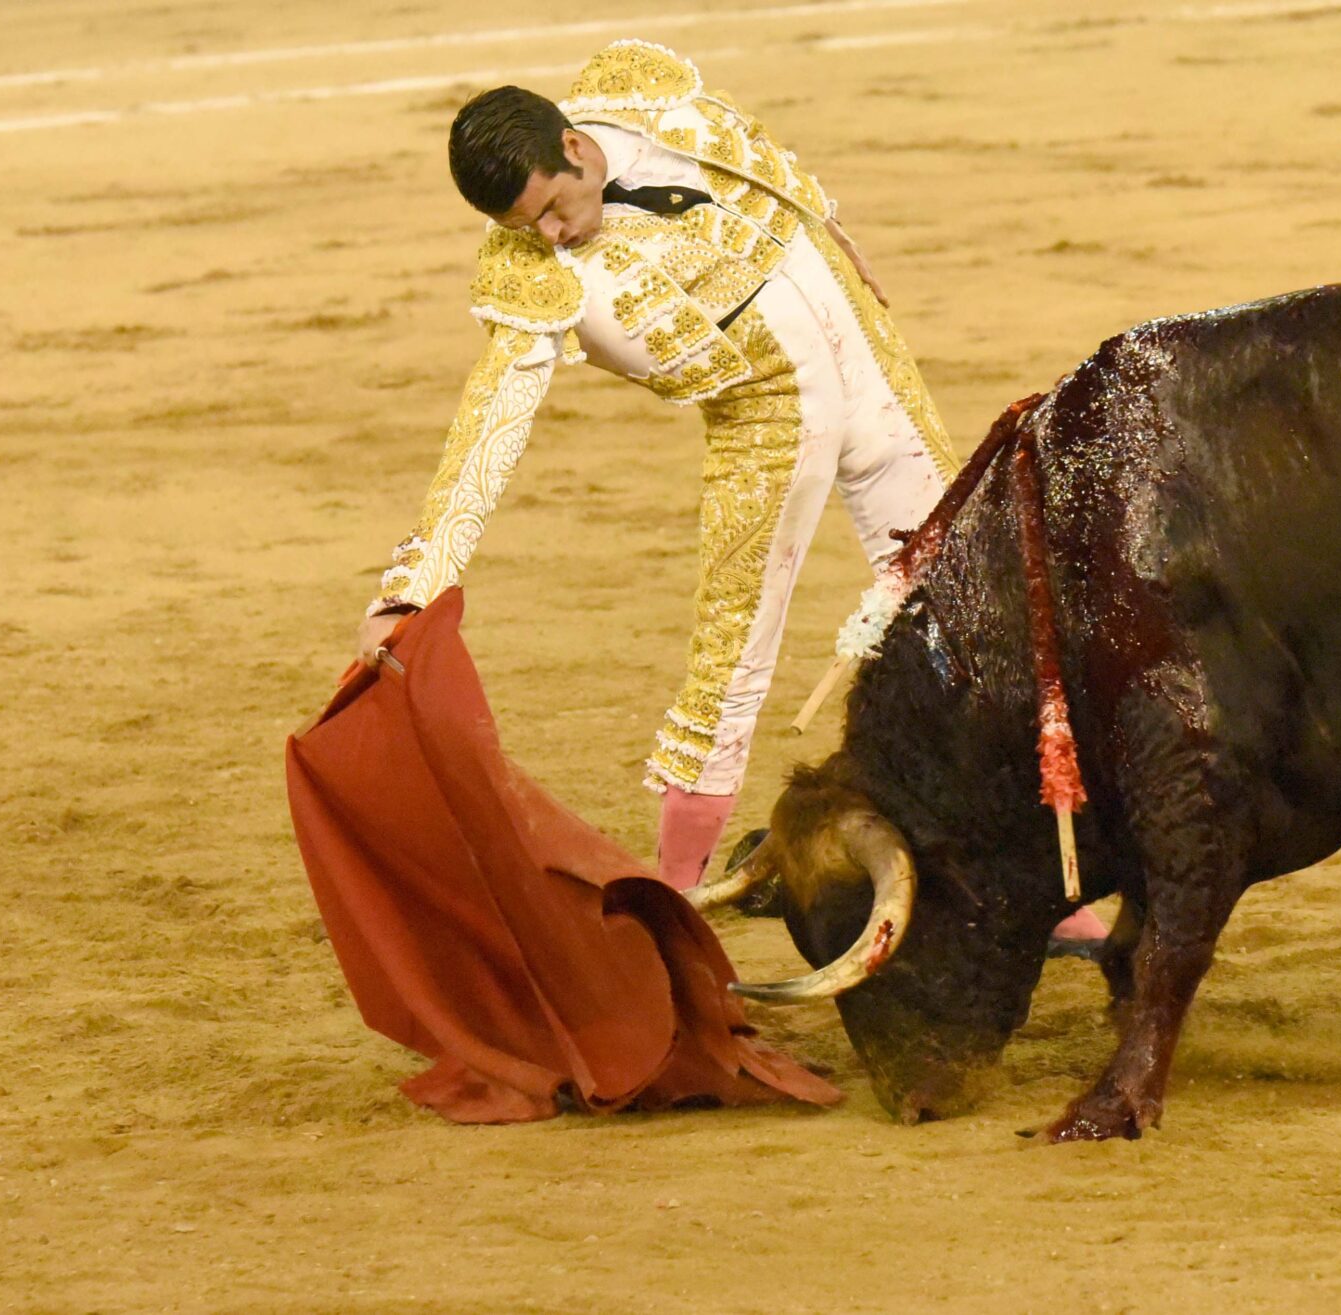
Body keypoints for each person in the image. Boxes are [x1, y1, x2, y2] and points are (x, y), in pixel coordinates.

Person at [354, 39, 1110, 945]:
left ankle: (1044, 884)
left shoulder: (643, 103)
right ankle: (676, 912)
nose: (550, 236)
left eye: (553, 208)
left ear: (576, 149)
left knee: (969, 614)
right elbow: (490, 425)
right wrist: (412, 583)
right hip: (766, 419)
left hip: (863, 359)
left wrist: (835, 234)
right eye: (529, 226)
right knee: (730, 668)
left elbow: (759, 153)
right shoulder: (529, 277)